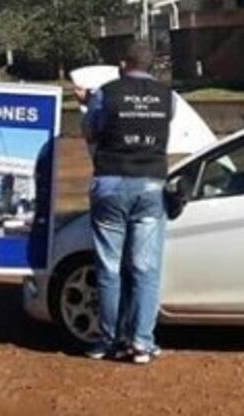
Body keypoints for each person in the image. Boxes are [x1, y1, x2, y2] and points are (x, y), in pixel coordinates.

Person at [75, 42, 173, 365]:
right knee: (145, 268)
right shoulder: (166, 96)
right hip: (150, 186)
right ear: (152, 66)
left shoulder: (107, 93)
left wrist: (87, 106)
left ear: (122, 63)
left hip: (111, 185)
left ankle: (108, 340)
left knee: (109, 268)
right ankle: (142, 343)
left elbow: (91, 131)